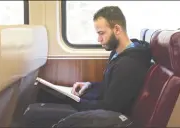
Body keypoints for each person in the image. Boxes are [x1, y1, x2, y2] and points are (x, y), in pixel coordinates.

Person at [20, 6, 151, 127]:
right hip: (100, 109)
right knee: (44, 97)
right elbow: (111, 86)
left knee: (33, 113)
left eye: (101, 33)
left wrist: (75, 101)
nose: (99, 39)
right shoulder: (118, 54)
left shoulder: (129, 64)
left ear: (117, 29)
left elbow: (111, 106)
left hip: (107, 116)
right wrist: (89, 85)